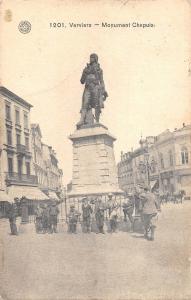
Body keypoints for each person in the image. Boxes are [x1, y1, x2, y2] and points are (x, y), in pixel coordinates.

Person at [77, 53, 108, 128]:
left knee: (97, 104)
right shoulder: (86, 69)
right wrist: (84, 73)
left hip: (95, 87)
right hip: (87, 88)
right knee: (85, 103)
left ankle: (97, 120)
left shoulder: (99, 70)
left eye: (93, 58)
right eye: (90, 57)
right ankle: (82, 119)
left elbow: (101, 80)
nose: (91, 59)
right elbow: (82, 81)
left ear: (96, 59)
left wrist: (104, 90)